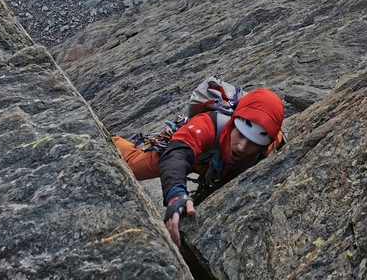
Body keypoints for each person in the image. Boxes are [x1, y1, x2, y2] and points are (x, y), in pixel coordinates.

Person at [112, 87, 285, 246]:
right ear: (233, 123)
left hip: (215, 166)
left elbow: (278, 137)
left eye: (253, 142)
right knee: (131, 166)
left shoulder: (267, 143)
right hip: (191, 153)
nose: (242, 147)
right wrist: (176, 195)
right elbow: (177, 153)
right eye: (240, 134)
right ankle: (107, 139)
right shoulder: (209, 124)